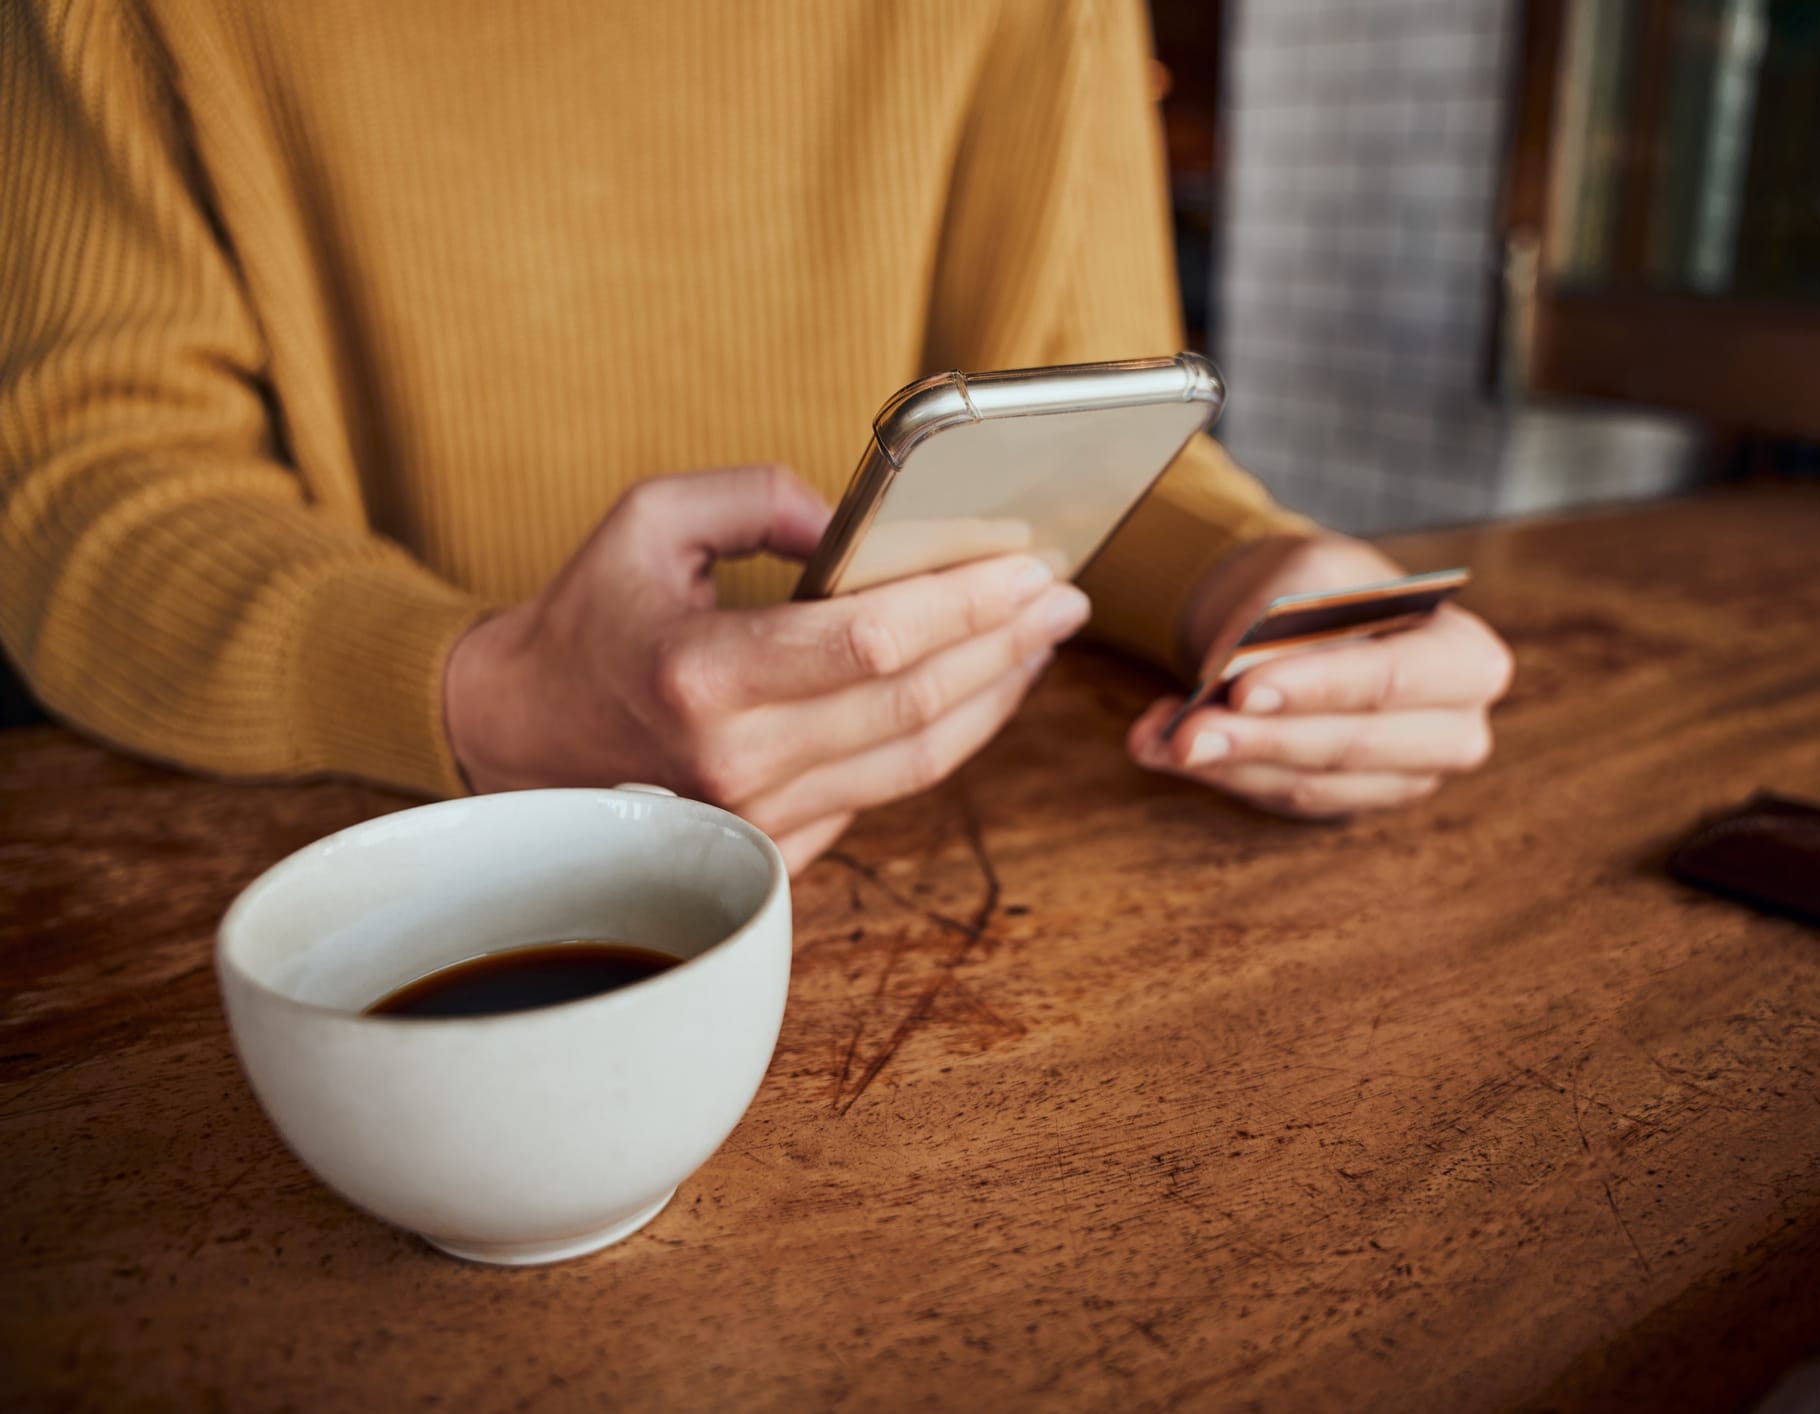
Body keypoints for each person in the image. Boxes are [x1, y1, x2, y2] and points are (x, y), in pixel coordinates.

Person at [0, 0, 1511, 873]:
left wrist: (1256, 580)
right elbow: (91, 478)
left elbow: (1093, 421)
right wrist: (481, 689)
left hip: (946, 855)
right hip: (379, 877)